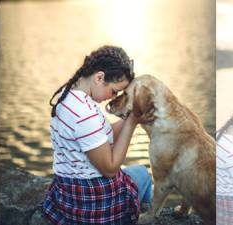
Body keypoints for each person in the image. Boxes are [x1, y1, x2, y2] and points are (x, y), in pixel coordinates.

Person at [43, 45, 153, 224]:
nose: (113, 97)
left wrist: (132, 117)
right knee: (143, 173)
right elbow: (110, 169)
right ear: (99, 77)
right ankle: (141, 217)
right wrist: (132, 123)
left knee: (136, 173)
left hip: (67, 194)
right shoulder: (85, 114)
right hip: (93, 201)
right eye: (114, 91)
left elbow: (100, 136)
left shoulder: (70, 95)